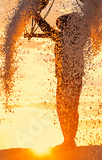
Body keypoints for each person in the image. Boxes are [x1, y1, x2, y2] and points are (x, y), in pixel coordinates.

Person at [33, 12, 89, 149]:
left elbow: (49, 31)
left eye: (63, 25)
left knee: (68, 109)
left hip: (70, 78)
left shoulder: (72, 37)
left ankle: (69, 140)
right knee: (65, 109)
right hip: (66, 78)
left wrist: (38, 19)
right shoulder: (70, 37)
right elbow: (49, 31)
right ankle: (68, 139)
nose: (60, 28)